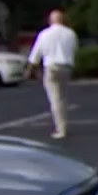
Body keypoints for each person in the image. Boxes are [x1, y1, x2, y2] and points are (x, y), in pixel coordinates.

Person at [26, 8, 79, 139]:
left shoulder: (44, 34)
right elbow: (74, 49)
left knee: (55, 99)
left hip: (51, 67)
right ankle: (63, 124)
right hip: (66, 67)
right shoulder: (70, 33)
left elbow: (35, 54)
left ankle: (61, 129)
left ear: (50, 20)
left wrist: (30, 70)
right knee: (63, 97)